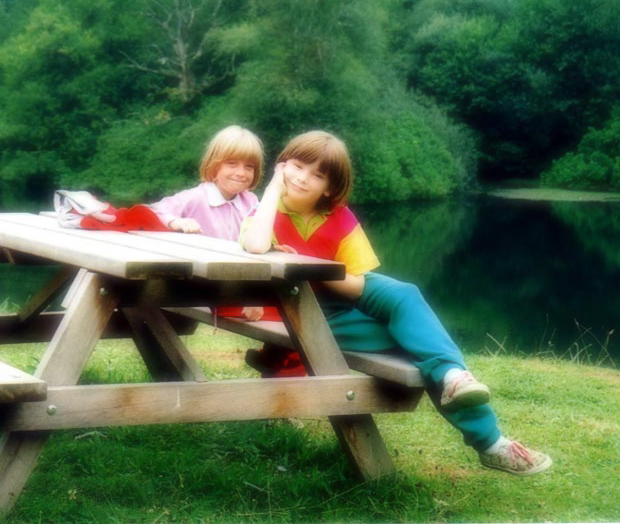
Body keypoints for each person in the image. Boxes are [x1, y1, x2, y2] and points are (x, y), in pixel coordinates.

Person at [241, 130, 552, 476]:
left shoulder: (339, 217)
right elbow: (255, 244)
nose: (302, 178)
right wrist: (271, 189)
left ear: (329, 187)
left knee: (405, 296)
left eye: (317, 174)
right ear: (283, 165)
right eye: (297, 166)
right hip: (300, 313)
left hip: (341, 303)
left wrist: (314, 267)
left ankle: (454, 378)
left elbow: (356, 285)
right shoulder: (265, 211)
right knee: (422, 348)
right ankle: (491, 443)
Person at [150, 124, 265, 320]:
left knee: (289, 307)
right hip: (195, 286)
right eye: (232, 163)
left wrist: (255, 293)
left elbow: (259, 252)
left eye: (249, 166)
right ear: (214, 165)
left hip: (239, 284)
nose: (241, 172)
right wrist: (175, 221)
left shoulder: (251, 202)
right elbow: (151, 211)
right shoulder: (196, 198)